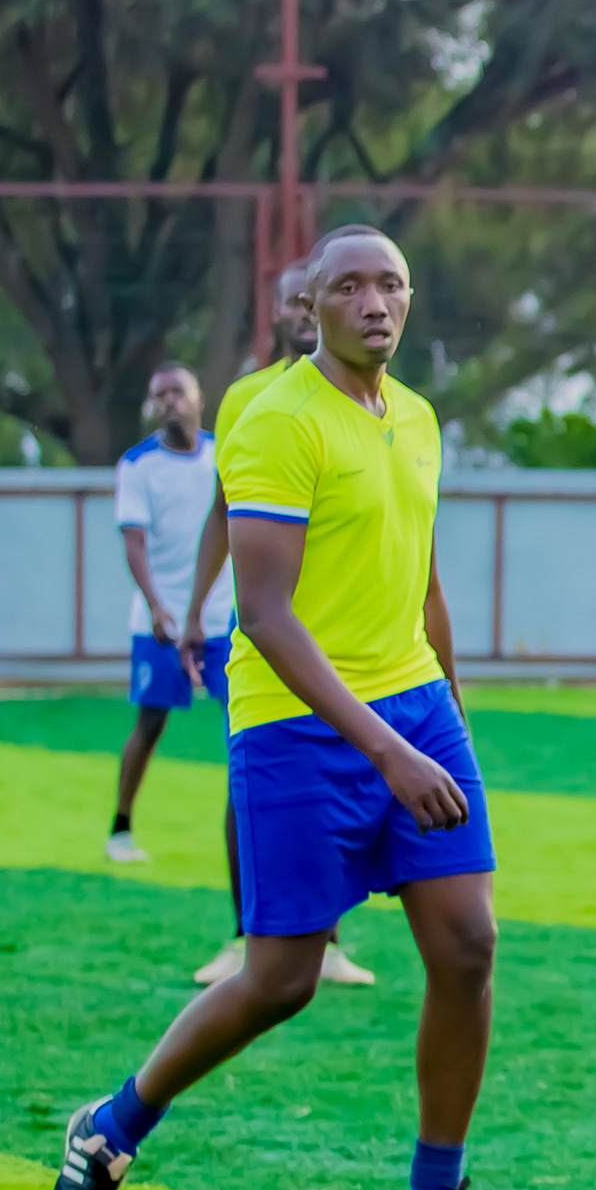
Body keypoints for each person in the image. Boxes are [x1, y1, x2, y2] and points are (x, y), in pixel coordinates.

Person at [52, 228, 508, 1190]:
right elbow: (262, 613)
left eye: (392, 283)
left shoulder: (419, 419)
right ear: (308, 307)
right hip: (297, 725)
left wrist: (450, 713)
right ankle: (111, 1128)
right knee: (281, 980)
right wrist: (388, 752)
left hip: (415, 705)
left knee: (468, 948)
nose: (375, 303)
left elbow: (424, 578)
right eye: (349, 287)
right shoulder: (273, 421)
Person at [177, 250, 371, 989]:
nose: (302, 311)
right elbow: (224, 508)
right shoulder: (248, 400)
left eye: (309, 297)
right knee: (251, 779)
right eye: (292, 300)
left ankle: (330, 940)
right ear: (284, 312)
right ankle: (243, 935)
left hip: (350, 630)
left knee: (345, 776)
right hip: (265, 630)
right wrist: (195, 609)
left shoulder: (378, 402)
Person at [106, 364, 237, 867]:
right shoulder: (138, 466)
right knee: (151, 722)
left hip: (222, 617)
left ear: (199, 397)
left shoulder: (225, 453)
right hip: (160, 622)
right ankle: (121, 826)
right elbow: (134, 544)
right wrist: (158, 607)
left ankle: (247, 829)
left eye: (177, 391)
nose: (169, 401)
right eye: (159, 395)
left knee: (242, 721)